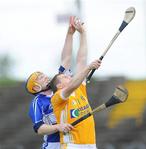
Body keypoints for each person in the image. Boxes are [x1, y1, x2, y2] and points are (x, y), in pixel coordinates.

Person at [26, 16, 81, 149]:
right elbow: (39, 128)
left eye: (43, 74)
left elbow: (66, 59)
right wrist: (58, 127)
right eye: (39, 77)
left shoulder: (60, 87)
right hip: (54, 145)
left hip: (72, 140)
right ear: (35, 87)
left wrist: (70, 34)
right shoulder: (38, 102)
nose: (44, 76)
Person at [50, 19, 102, 149]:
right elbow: (73, 84)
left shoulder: (79, 88)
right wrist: (89, 67)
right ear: (59, 86)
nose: (68, 75)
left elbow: (81, 60)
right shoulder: (57, 97)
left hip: (90, 143)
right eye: (64, 77)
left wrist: (83, 33)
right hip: (72, 145)